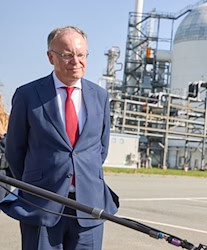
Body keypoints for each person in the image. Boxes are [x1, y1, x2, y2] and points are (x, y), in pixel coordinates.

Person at [0, 26, 119, 250]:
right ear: (50, 57)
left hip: (89, 208)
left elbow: (100, 149)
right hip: (42, 205)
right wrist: (37, 183)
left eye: (81, 54)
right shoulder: (28, 95)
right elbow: (15, 150)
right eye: (67, 55)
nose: (76, 61)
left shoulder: (100, 96)